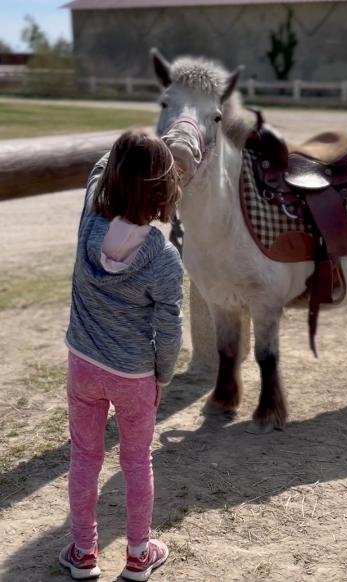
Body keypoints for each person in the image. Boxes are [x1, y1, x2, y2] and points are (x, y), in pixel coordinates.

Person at [59, 129, 184, 581]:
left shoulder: (89, 221)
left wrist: (130, 148)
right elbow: (169, 330)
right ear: (164, 189)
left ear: (111, 175)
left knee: (84, 457)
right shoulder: (166, 259)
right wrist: (162, 378)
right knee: (136, 462)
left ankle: (83, 553)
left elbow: (99, 173)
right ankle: (137, 555)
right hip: (135, 376)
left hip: (83, 365)